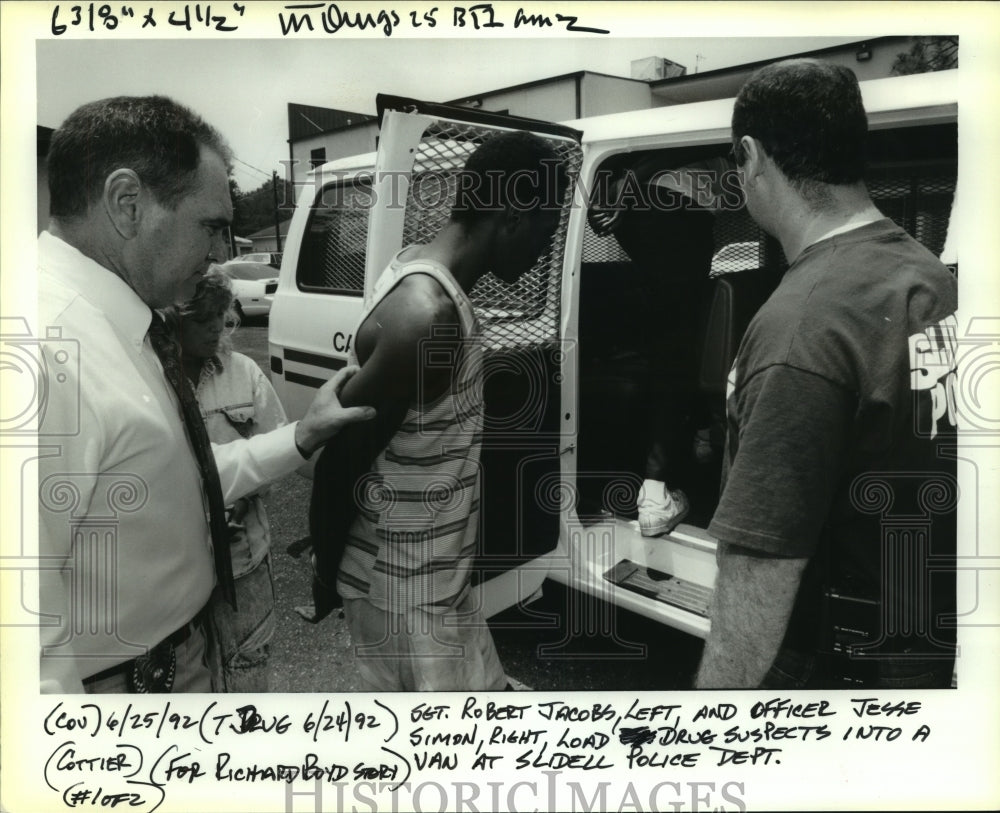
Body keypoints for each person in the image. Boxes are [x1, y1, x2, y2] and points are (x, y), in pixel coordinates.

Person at [37, 95, 375, 693]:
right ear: (127, 204)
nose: (222, 255)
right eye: (212, 227)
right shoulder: (45, 345)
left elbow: (175, 477)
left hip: (174, 663)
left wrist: (299, 436)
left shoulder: (120, 323)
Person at [695, 60, 958, 689]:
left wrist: (704, 725)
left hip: (833, 658)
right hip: (922, 631)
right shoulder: (927, 270)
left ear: (751, 156)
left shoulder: (801, 326)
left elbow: (763, 563)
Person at [311, 131, 567, 691]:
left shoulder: (431, 281)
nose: (544, 252)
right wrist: (325, 574)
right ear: (511, 216)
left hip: (437, 581)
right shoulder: (427, 317)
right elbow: (341, 453)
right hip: (404, 596)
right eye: (546, 233)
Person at [172, 268, 285, 692]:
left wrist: (245, 492)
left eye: (221, 315)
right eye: (202, 318)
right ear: (172, 320)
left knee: (248, 664)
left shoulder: (244, 373)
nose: (216, 327)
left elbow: (276, 450)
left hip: (244, 557)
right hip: (182, 566)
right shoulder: (152, 377)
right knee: (190, 674)